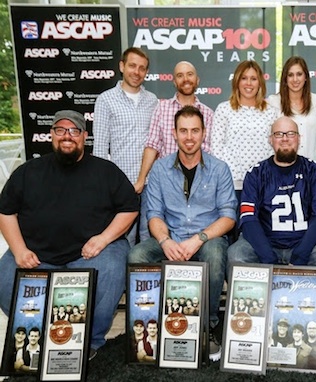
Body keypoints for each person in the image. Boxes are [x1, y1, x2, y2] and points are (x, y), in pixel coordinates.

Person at [0, 110, 139, 361]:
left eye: (74, 131)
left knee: (112, 265)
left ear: (84, 136)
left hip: (90, 254)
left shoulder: (106, 171)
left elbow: (130, 207)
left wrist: (103, 239)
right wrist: (19, 250)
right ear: (51, 135)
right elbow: (5, 212)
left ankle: (90, 340)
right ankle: (39, 334)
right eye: (61, 130)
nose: (67, 136)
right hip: (36, 254)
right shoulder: (27, 171)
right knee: (5, 277)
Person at [128, 105, 237, 362]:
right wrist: (165, 241)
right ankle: (153, 327)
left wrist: (199, 239)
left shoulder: (220, 169)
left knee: (214, 252)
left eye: (195, 131)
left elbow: (229, 216)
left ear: (204, 133)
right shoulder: (159, 169)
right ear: (174, 134)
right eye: (184, 131)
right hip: (171, 236)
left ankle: (206, 327)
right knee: (137, 255)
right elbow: (153, 214)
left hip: (206, 237)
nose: (189, 137)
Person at [227, 116, 316, 309]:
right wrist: (267, 256)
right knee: (236, 255)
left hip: (305, 242)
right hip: (266, 242)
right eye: (279, 134)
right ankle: (253, 320)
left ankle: (315, 318)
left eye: (290, 134)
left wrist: (301, 253)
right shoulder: (256, 173)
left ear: (299, 138)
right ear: (270, 139)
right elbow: (248, 218)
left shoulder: (314, 170)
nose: (285, 138)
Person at [93, 47, 158, 245]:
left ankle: (148, 277)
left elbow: (156, 142)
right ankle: (121, 276)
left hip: (151, 183)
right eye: (132, 66)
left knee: (149, 236)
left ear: (146, 72)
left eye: (142, 68)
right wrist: (106, 185)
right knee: (124, 238)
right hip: (120, 183)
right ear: (122, 66)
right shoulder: (105, 99)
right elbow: (100, 147)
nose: (136, 72)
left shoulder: (153, 100)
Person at [134, 61, 214, 193]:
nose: (186, 79)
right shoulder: (161, 109)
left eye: (190, 74)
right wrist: (141, 180)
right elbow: (152, 145)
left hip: (198, 185)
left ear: (197, 80)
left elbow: (209, 152)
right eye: (180, 75)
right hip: (165, 182)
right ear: (174, 82)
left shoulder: (208, 114)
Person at [210, 60, 278, 194]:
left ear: (260, 83)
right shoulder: (224, 109)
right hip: (231, 185)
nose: (248, 83)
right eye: (244, 78)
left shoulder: (271, 112)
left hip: (263, 183)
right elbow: (216, 148)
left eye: (253, 79)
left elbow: (275, 147)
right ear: (237, 81)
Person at [267, 56, 316, 162]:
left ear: (306, 77)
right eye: (290, 75)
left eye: (299, 74)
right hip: (283, 167)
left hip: (311, 168)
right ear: (285, 79)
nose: (295, 79)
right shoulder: (273, 102)